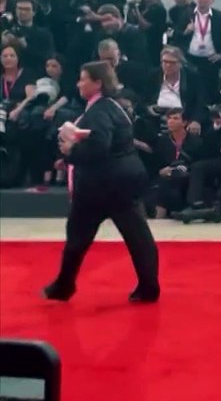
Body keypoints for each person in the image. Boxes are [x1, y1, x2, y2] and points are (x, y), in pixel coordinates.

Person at [43, 61, 160, 303]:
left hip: (101, 185)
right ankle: (149, 287)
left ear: (97, 83)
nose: (79, 83)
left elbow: (99, 145)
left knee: (77, 237)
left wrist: (70, 152)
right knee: (138, 236)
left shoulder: (99, 111)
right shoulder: (113, 106)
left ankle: (64, 285)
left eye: (83, 78)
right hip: (123, 179)